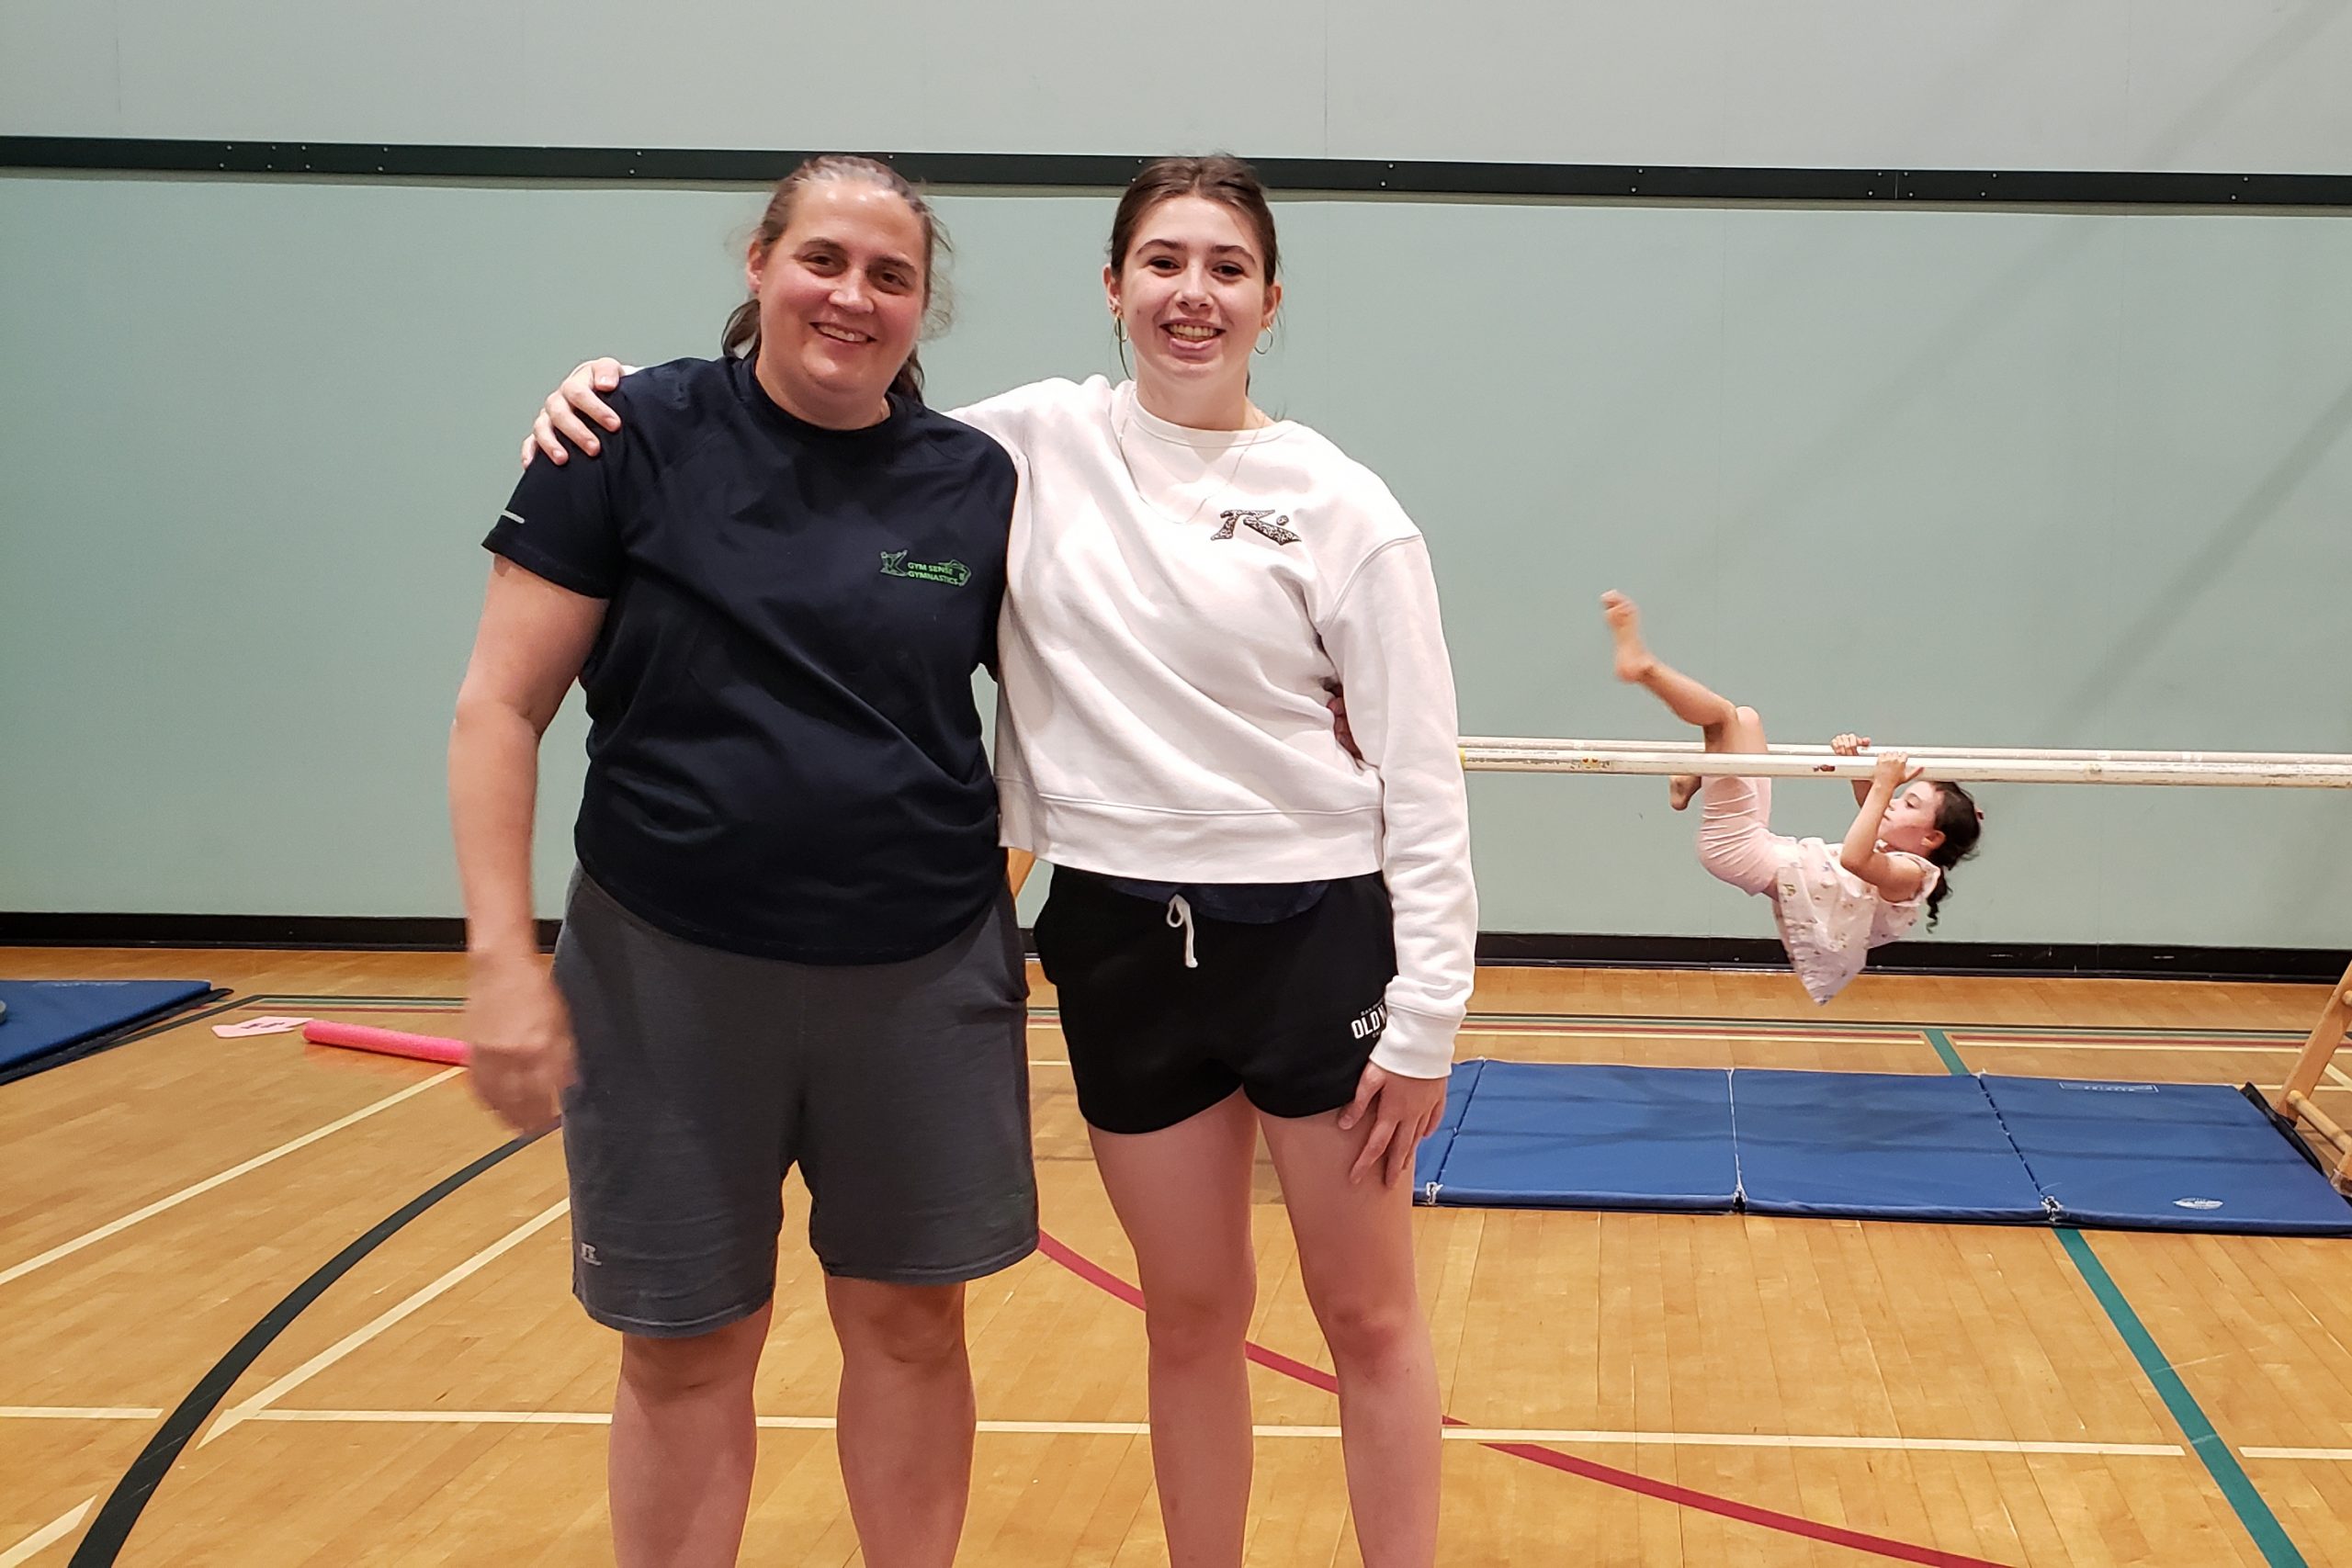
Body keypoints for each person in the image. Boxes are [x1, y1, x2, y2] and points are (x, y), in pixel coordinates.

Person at [524, 155, 1476, 1568]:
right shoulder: (1023, 445)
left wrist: (1428, 1013)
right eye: (1163, 261)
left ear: (1272, 301)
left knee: (1369, 1317)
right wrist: (618, 402)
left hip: (1316, 934)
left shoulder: (1343, 505)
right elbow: (826, 418)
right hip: (1114, 936)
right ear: (1112, 286)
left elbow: (1422, 776)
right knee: (1192, 1313)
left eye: (1226, 267)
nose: (1191, 293)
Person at [448, 155, 1032, 1568]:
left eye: (891, 275)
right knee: (685, 1338)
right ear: (760, 264)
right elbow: (498, 707)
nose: (854, 295)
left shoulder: (978, 481)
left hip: (922, 966)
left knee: (909, 1319)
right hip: (663, 964)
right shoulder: (622, 435)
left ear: (922, 307)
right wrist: (501, 961)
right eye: (823, 259)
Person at [1600, 590, 1983, 1003]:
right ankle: (1687, 782)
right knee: (1746, 719)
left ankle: (1644, 668)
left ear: (1931, 839)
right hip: (1756, 843)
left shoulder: (1912, 877)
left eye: (1909, 803)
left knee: (1723, 719)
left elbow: (1856, 856)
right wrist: (1856, 768)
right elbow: (1870, 819)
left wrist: (1885, 783)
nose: (1893, 801)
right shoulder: (1900, 855)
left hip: (1739, 848)